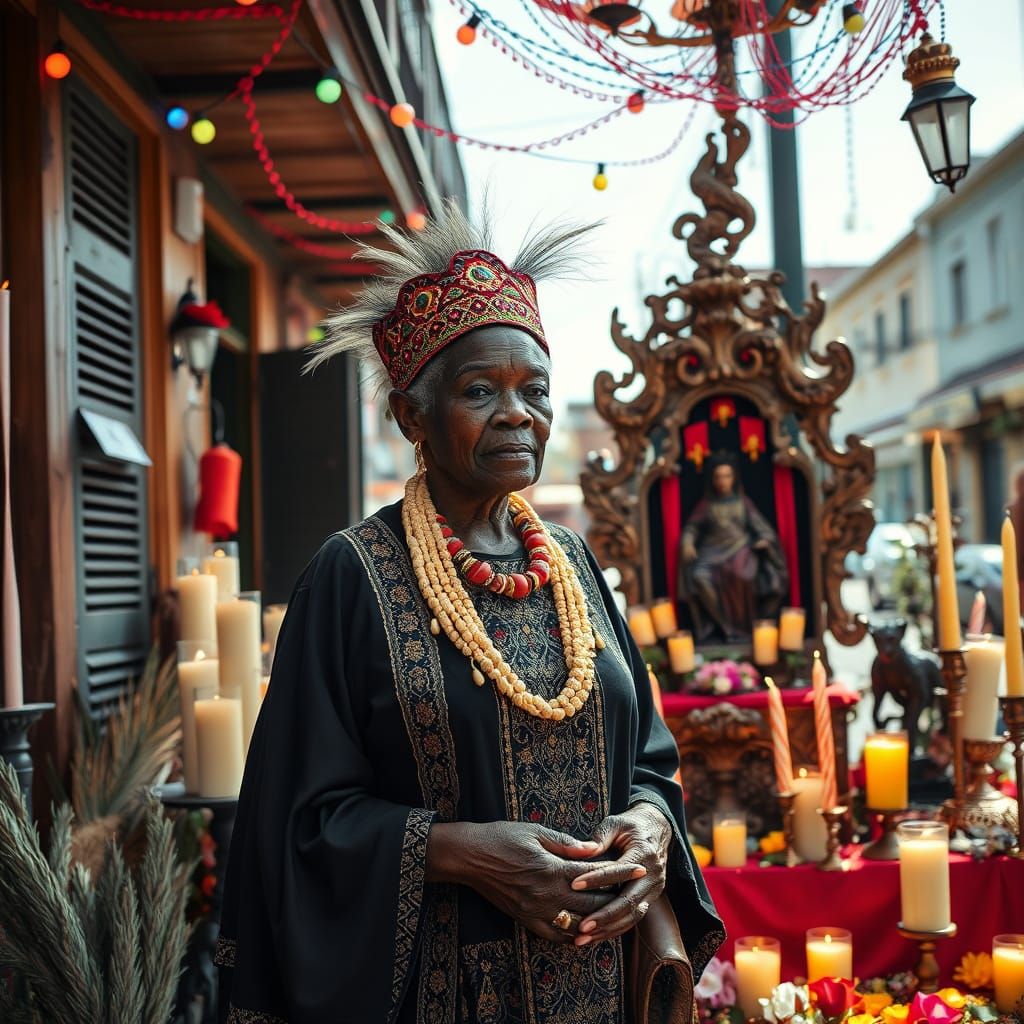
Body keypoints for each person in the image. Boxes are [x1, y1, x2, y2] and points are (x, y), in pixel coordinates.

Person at [216, 202, 723, 1024]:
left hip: (604, 988)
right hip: (447, 996)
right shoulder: (352, 576)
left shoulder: (572, 562)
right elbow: (297, 822)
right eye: (480, 390)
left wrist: (650, 824)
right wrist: (458, 852)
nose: (518, 412)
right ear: (411, 416)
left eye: (535, 390)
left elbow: (647, 759)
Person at [678, 454, 787, 643]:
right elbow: (691, 528)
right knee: (698, 577)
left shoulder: (743, 503)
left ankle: (742, 628)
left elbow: (762, 528)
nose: (723, 481)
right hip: (711, 552)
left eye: (727, 476)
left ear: (734, 478)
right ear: (713, 480)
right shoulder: (706, 505)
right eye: (718, 476)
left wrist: (764, 540)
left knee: (743, 575)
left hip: (739, 549)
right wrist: (687, 543)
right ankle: (724, 625)